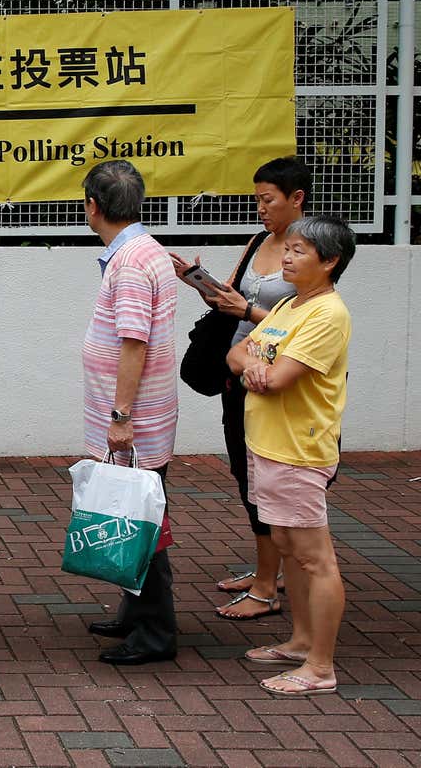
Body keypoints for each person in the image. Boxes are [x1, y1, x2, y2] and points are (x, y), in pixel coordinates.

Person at [171, 157, 310, 620]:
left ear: (297, 199)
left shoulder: (311, 251)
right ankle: (267, 571)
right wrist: (201, 285)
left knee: (268, 478)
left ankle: (269, 586)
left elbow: (309, 326)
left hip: (278, 381)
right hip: (239, 376)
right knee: (246, 473)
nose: (261, 210)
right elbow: (229, 301)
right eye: (257, 200)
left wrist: (248, 310)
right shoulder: (258, 241)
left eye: (268, 200)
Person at [227, 215, 355, 696]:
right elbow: (236, 357)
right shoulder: (289, 304)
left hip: (298, 449)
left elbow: (280, 378)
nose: (287, 255)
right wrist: (256, 363)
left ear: (330, 261)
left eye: (300, 250)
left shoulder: (328, 314)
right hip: (268, 443)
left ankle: (320, 666)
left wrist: (261, 364)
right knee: (286, 545)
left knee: (314, 557)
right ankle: (301, 642)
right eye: (290, 248)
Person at [76, 160, 181, 665]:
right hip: (141, 415)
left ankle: (156, 633)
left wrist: (120, 416)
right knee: (131, 514)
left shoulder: (133, 262)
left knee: (144, 522)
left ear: (94, 207)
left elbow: (133, 342)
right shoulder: (143, 251)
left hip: (134, 421)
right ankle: (133, 614)